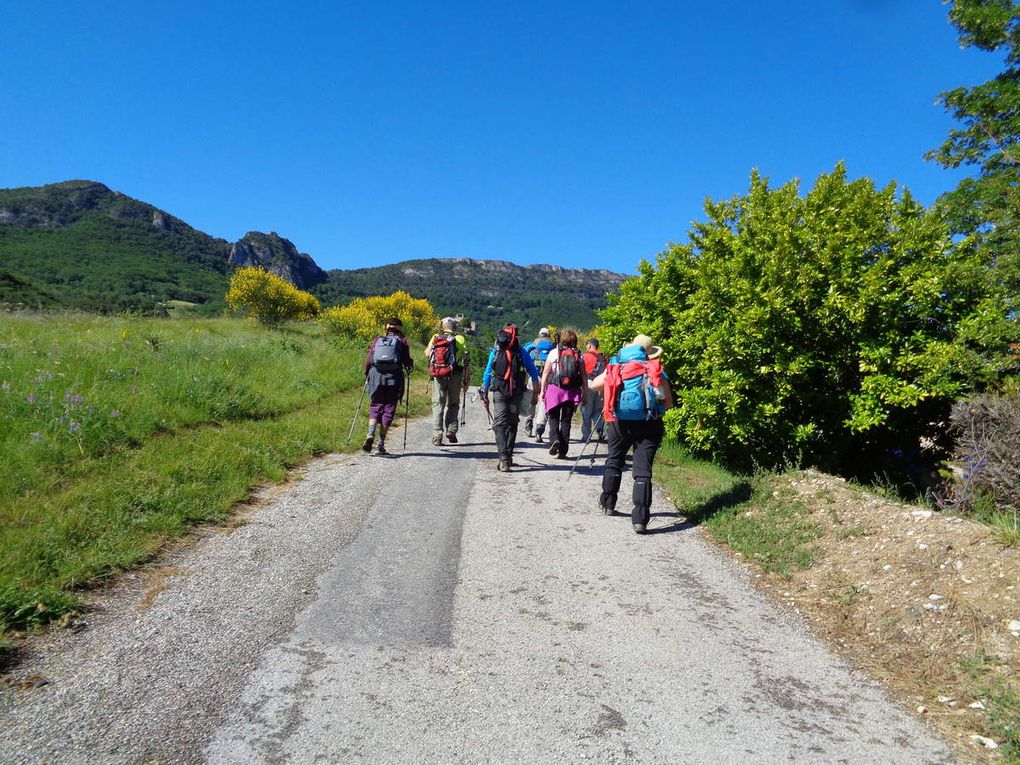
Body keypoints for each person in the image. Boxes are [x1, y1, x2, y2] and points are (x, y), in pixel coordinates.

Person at [589, 334, 674, 534]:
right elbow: (668, 402)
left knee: (614, 460)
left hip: (619, 423)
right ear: (649, 352)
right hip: (649, 424)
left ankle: (608, 503)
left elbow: (595, 385)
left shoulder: (617, 365)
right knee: (643, 470)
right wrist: (656, 410)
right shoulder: (655, 369)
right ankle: (640, 519)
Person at [479, 324, 540, 471]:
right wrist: (536, 393)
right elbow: (533, 372)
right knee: (512, 422)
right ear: (516, 337)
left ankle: (503, 459)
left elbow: (488, 372)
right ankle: (509, 455)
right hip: (516, 392)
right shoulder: (521, 351)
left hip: (499, 390)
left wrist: (484, 389)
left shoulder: (496, 350)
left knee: (499, 423)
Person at [362, 317, 414, 455]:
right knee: (389, 408)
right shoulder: (402, 342)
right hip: (393, 378)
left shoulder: (377, 340)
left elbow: (369, 360)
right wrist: (410, 365)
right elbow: (407, 362)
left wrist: (367, 374)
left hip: (376, 376)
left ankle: (370, 434)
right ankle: (380, 444)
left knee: (376, 405)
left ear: (387, 327)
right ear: (399, 328)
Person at [539, 330, 587, 459]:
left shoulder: (554, 353)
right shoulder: (578, 355)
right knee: (566, 421)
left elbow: (546, 373)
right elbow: (583, 376)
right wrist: (585, 393)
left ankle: (554, 439)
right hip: (571, 392)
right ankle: (563, 451)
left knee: (553, 418)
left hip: (555, 390)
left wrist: (542, 390)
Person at [424, 317, 471, 446]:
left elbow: (427, 353)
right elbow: (466, 362)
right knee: (453, 403)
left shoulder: (435, 337)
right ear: (454, 327)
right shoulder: (460, 339)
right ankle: (451, 430)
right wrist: (467, 380)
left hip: (438, 375)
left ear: (443, 326)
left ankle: (437, 436)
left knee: (438, 404)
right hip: (455, 375)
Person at [522, 327, 556, 441]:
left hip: (534, 377)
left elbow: (523, 361)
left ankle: (528, 424)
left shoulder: (531, 345)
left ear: (539, 334)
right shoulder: (554, 347)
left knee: (531, 401)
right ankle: (539, 430)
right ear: (549, 335)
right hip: (548, 379)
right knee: (543, 402)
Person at [580, 337, 606, 443]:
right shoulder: (604, 357)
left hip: (589, 384)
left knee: (586, 410)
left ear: (590, 345)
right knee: (598, 410)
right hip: (601, 385)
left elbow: (581, 372)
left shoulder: (585, 356)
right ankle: (600, 430)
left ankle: (586, 436)